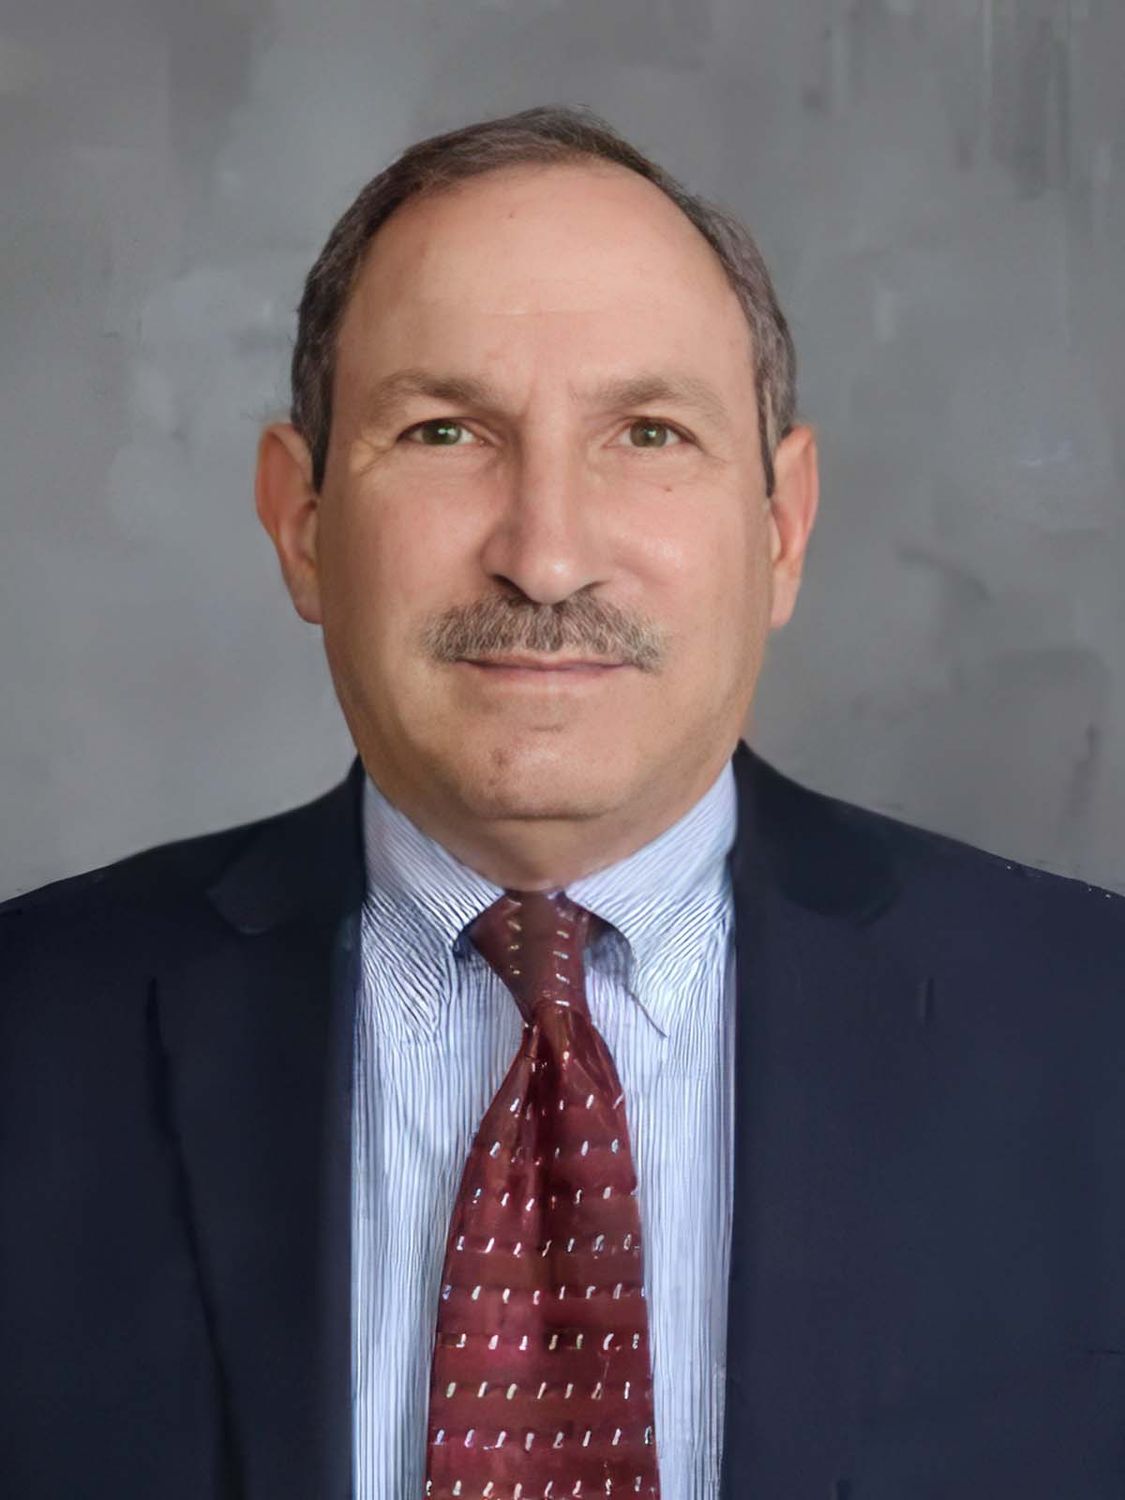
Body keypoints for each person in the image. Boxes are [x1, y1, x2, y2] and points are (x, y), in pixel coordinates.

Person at [1, 105, 1122, 1500]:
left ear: (778, 527)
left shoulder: (1094, 1035)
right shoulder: (30, 1035)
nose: (542, 553)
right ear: (299, 521)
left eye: (647, 433)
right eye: (444, 429)